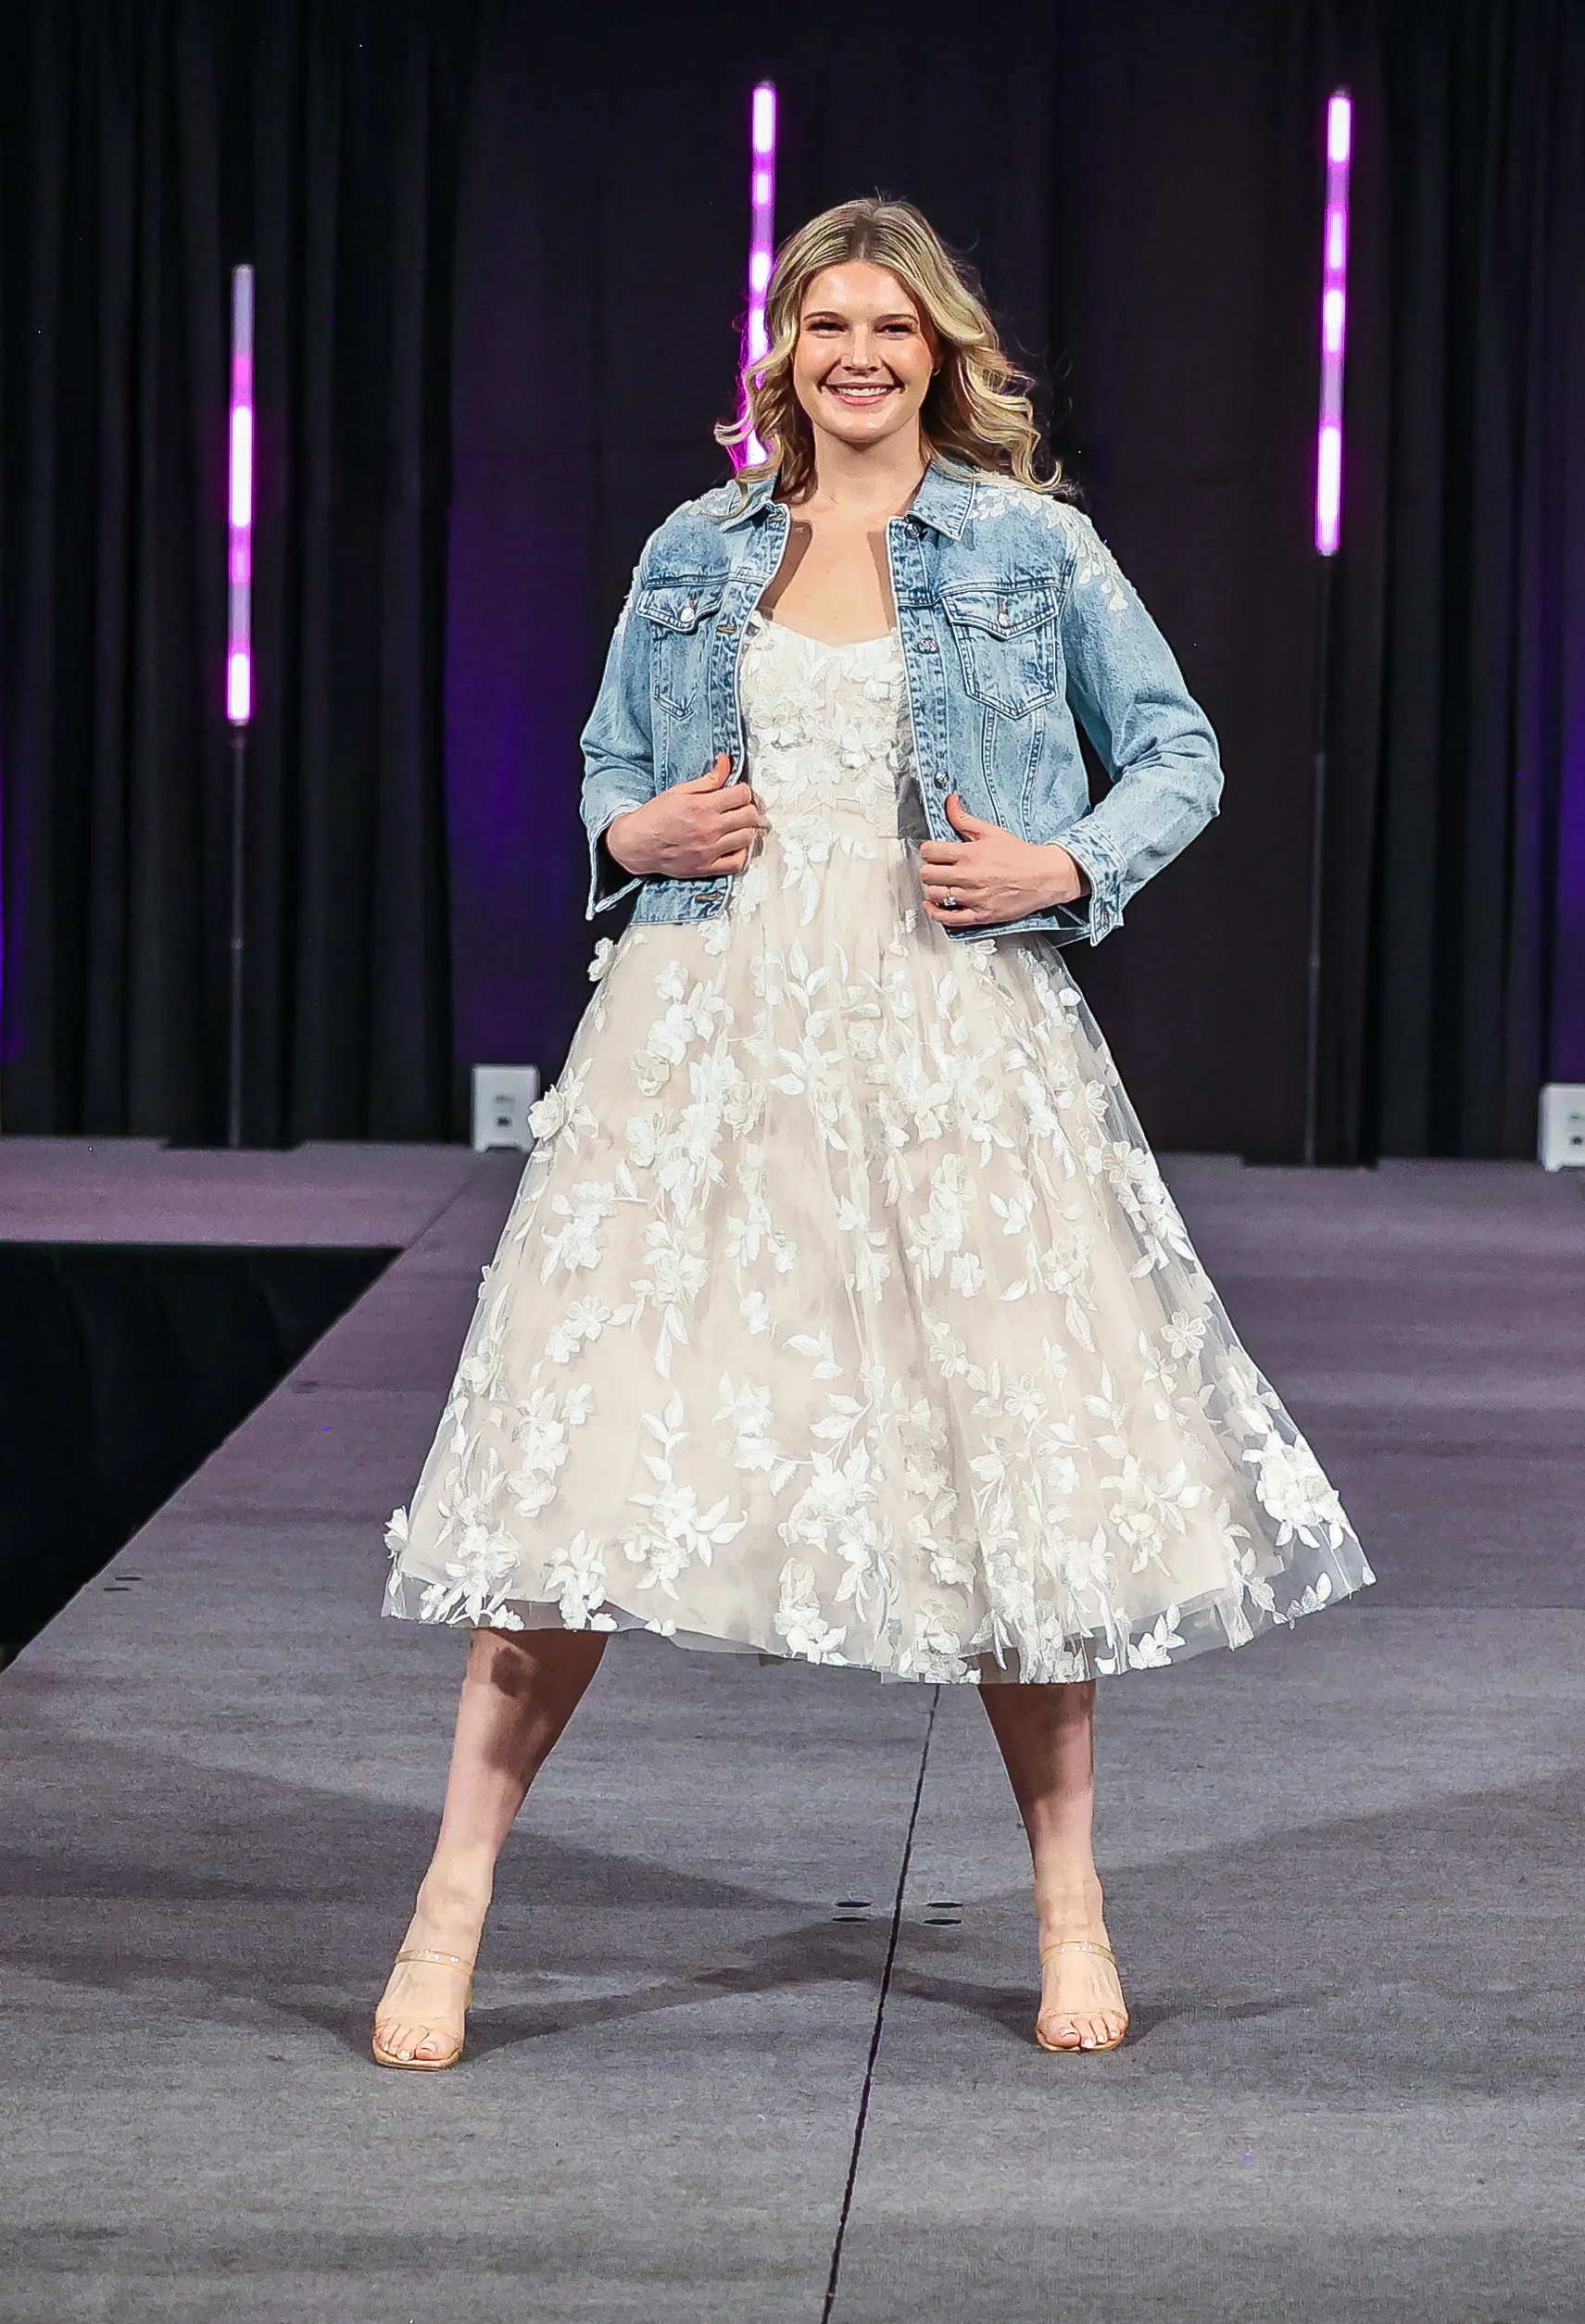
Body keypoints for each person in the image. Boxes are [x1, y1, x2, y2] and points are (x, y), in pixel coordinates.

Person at [374, 197, 1373, 2071]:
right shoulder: (697, 547)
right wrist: (631, 835)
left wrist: (1064, 864)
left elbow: (1180, 750)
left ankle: (1070, 1912)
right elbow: (606, 767)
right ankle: (446, 1916)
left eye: (890, 327)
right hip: (705, 1033)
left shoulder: (1027, 545)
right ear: (784, 354)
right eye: (827, 324)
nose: (857, 355)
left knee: (1009, 1477)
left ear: (937, 355)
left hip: (947, 1030)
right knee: (577, 1470)